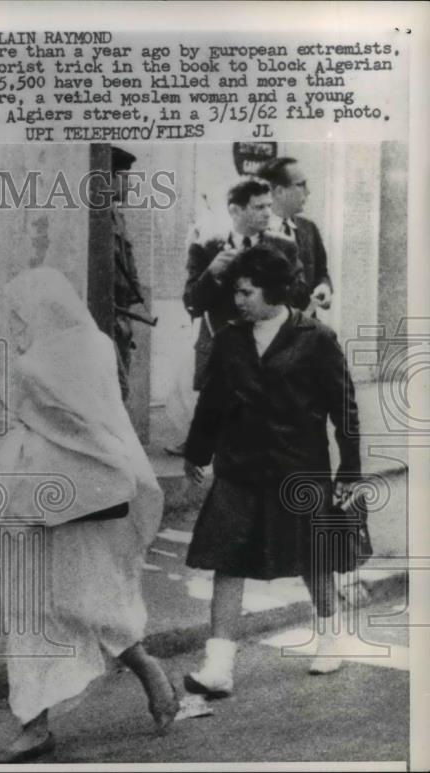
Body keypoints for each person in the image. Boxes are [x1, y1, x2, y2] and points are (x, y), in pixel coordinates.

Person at [0, 266, 178, 763]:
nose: (13, 322)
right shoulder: (97, 346)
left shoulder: (30, 369)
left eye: (17, 313)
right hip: (101, 491)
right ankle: (146, 670)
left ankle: (35, 725)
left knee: (32, 610)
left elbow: (5, 418)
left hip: (36, 498)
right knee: (96, 597)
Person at [181, 244, 361, 698]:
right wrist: (197, 452)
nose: (238, 301)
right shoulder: (229, 338)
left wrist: (350, 472)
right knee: (226, 559)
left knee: (312, 560)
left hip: (299, 469)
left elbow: (345, 409)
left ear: (273, 290)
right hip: (240, 467)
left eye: (246, 291)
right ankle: (218, 665)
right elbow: (213, 403)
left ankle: (329, 638)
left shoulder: (316, 338)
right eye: (235, 292)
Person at [183, 177, 309, 392]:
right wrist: (211, 274)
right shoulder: (207, 248)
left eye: (269, 206)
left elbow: (301, 297)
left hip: (270, 354)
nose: (268, 213)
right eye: (259, 207)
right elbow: (192, 304)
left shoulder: (284, 246)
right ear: (235, 211)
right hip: (220, 357)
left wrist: (273, 278)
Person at [257, 156, 334, 312]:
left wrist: (324, 287)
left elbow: (322, 273)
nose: (308, 191)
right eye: (301, 185)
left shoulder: (309, 228)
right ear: (279, 192)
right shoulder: (256, 233)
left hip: (305, 332)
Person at [109, 146, 150, 401]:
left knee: (120, 389)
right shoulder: (100, 217)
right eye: (126, 179)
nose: (131, 187)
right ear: (109, 179)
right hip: (110, 315)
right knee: (115, 388)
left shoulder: (117, 217)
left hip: (122, 317)